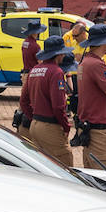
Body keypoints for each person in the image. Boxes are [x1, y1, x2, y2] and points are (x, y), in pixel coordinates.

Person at [75, 24, 106, 169]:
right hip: (99, 131)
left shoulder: (85, 62)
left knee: (92, 173)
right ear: (103, 42)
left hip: (89, 126)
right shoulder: (97, 64)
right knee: (105, 176)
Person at [24, 35, 75, 167]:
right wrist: (65, 126)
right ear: (58, 54)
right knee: (65, 165)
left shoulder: (34, 70)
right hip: (50, 126)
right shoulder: (56, 72)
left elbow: (23, 101)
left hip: (35, 125)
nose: (63, 56)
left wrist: (34, 117)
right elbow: (58, 106)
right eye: (62, 53)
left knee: (44, 166)